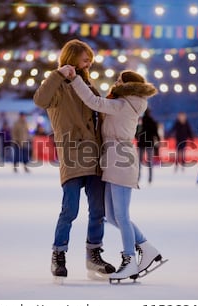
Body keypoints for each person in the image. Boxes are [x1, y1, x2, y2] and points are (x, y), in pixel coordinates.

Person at [63, 66, 165, 282]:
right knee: (112, 216)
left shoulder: (123, 104)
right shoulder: (122, 103)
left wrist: (75, 80)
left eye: (119, 80)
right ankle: (146, 248)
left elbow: (94, 102)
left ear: (128, 85)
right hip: (113, 160)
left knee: (121, 216)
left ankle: (130, 260)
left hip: (121, 160)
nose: (116, 82)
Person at [33, 39, 115, 281]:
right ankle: (58, 255)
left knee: (98, 210)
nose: (89, 62)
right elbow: (40, 100)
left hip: (94, 155)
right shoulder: (57, 87)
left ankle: (94, 255)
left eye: (90, 59)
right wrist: (57, 74)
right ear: (72, 57)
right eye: (85, 58)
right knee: (70, 209)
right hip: (72, 155)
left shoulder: (88, 85)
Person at [135, 108, 160, 184]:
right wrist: (158, 140)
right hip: (150, 144)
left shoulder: (140, 122)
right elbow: (156, 133)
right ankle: (150, 178)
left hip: (141, 144)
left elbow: (136, 133)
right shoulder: (153, 122)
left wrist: (138, 137)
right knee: (150, 162)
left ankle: (138, 177)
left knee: (139, 162)